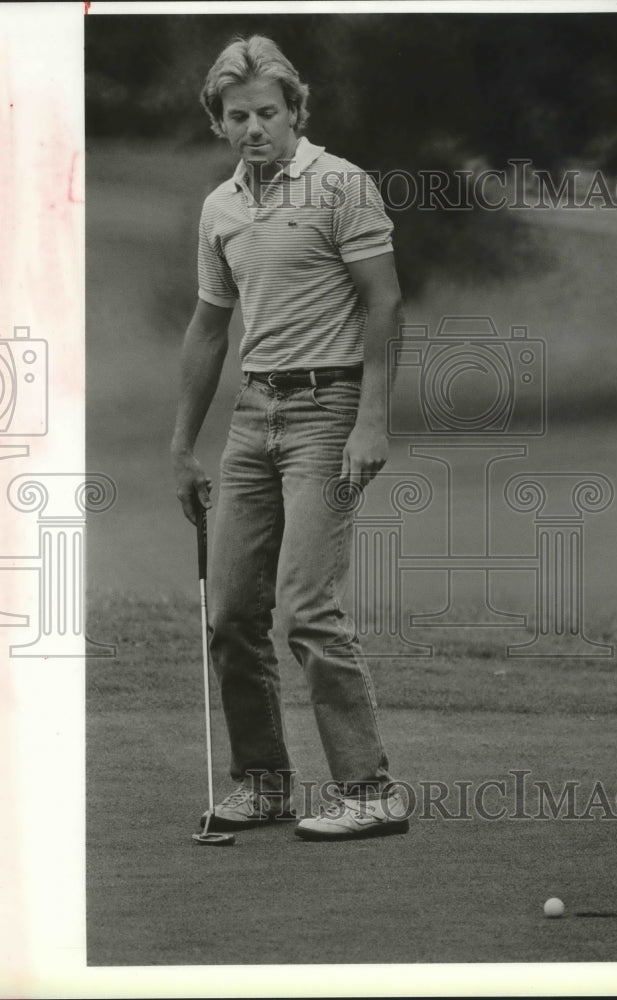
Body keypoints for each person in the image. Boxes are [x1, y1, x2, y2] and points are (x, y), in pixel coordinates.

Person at [171, 35, 408, 841]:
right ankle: (267, 784)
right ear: (219, 123)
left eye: (267, 113)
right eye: (237, 117)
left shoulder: (341, 185)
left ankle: (369, 792)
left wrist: (371, 420)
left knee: (307, 606)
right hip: (251, 418)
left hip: (328, 411)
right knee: (233, 610)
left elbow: (383, 304)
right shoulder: (220, 209)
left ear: (294, 112)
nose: (253, 129)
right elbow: (209, 329)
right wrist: (180, 445)